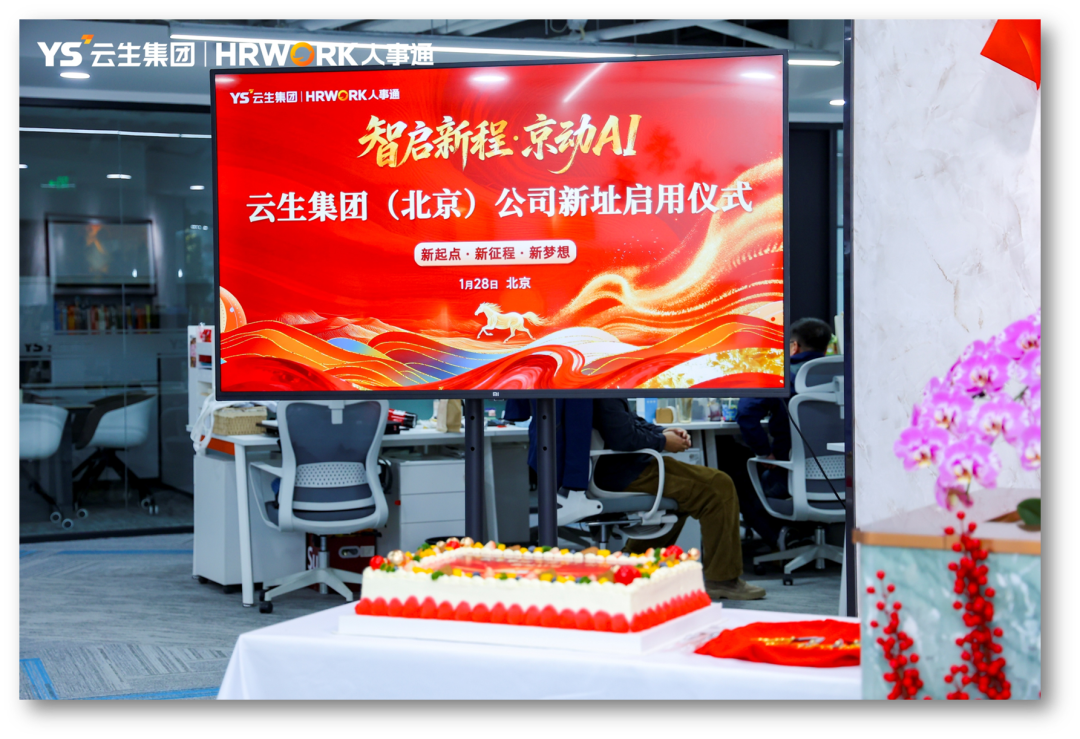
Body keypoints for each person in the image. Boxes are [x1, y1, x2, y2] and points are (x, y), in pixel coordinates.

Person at [592, 399, 766, 601]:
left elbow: (629, 422)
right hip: (624, 473)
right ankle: (723, 581)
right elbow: (623, 437)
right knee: (718, 487)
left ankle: (633, 565)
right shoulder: (604, 394)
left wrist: (663, 431)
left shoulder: (602, 390)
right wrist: (663, 441)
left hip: (624, 469)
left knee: (694, 492)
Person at [736, 317, 833, 504]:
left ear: (794, 346)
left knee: (738, 476)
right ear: (825, 348)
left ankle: (773, 525)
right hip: (841, 481)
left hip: (788, 476)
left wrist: (764, 453)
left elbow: (746, 414)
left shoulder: (777, 373)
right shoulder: (843, 374)